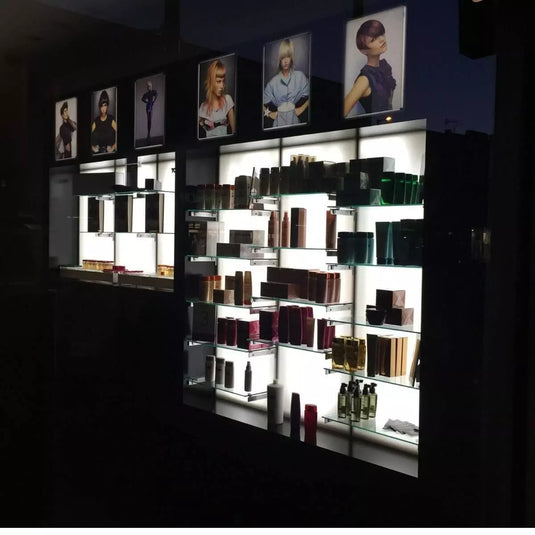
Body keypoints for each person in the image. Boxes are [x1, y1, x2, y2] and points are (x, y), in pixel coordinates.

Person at [344, 19, 396, 117]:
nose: (382, 39)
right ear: (364, 51)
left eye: (381, 34)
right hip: (376, 125)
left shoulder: (384, 67)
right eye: (373, 39)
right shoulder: (364, 79)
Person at [263, 38, 309, 128]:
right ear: (279, 59)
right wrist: (272, 114)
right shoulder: (272, 83)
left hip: (297, 125)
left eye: (288, 56)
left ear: (292, 57)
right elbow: (263, 102)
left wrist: (300, 110)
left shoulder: (300, 77)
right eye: (283, 57)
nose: (285, 61)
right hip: (277, 126)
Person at [198, 59, 235, 138]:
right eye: (218, 81)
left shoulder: (227, 100)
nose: (222, 86)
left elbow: (234, 131)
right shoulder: (203, 107)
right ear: (211, 81)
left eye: (223, 81)